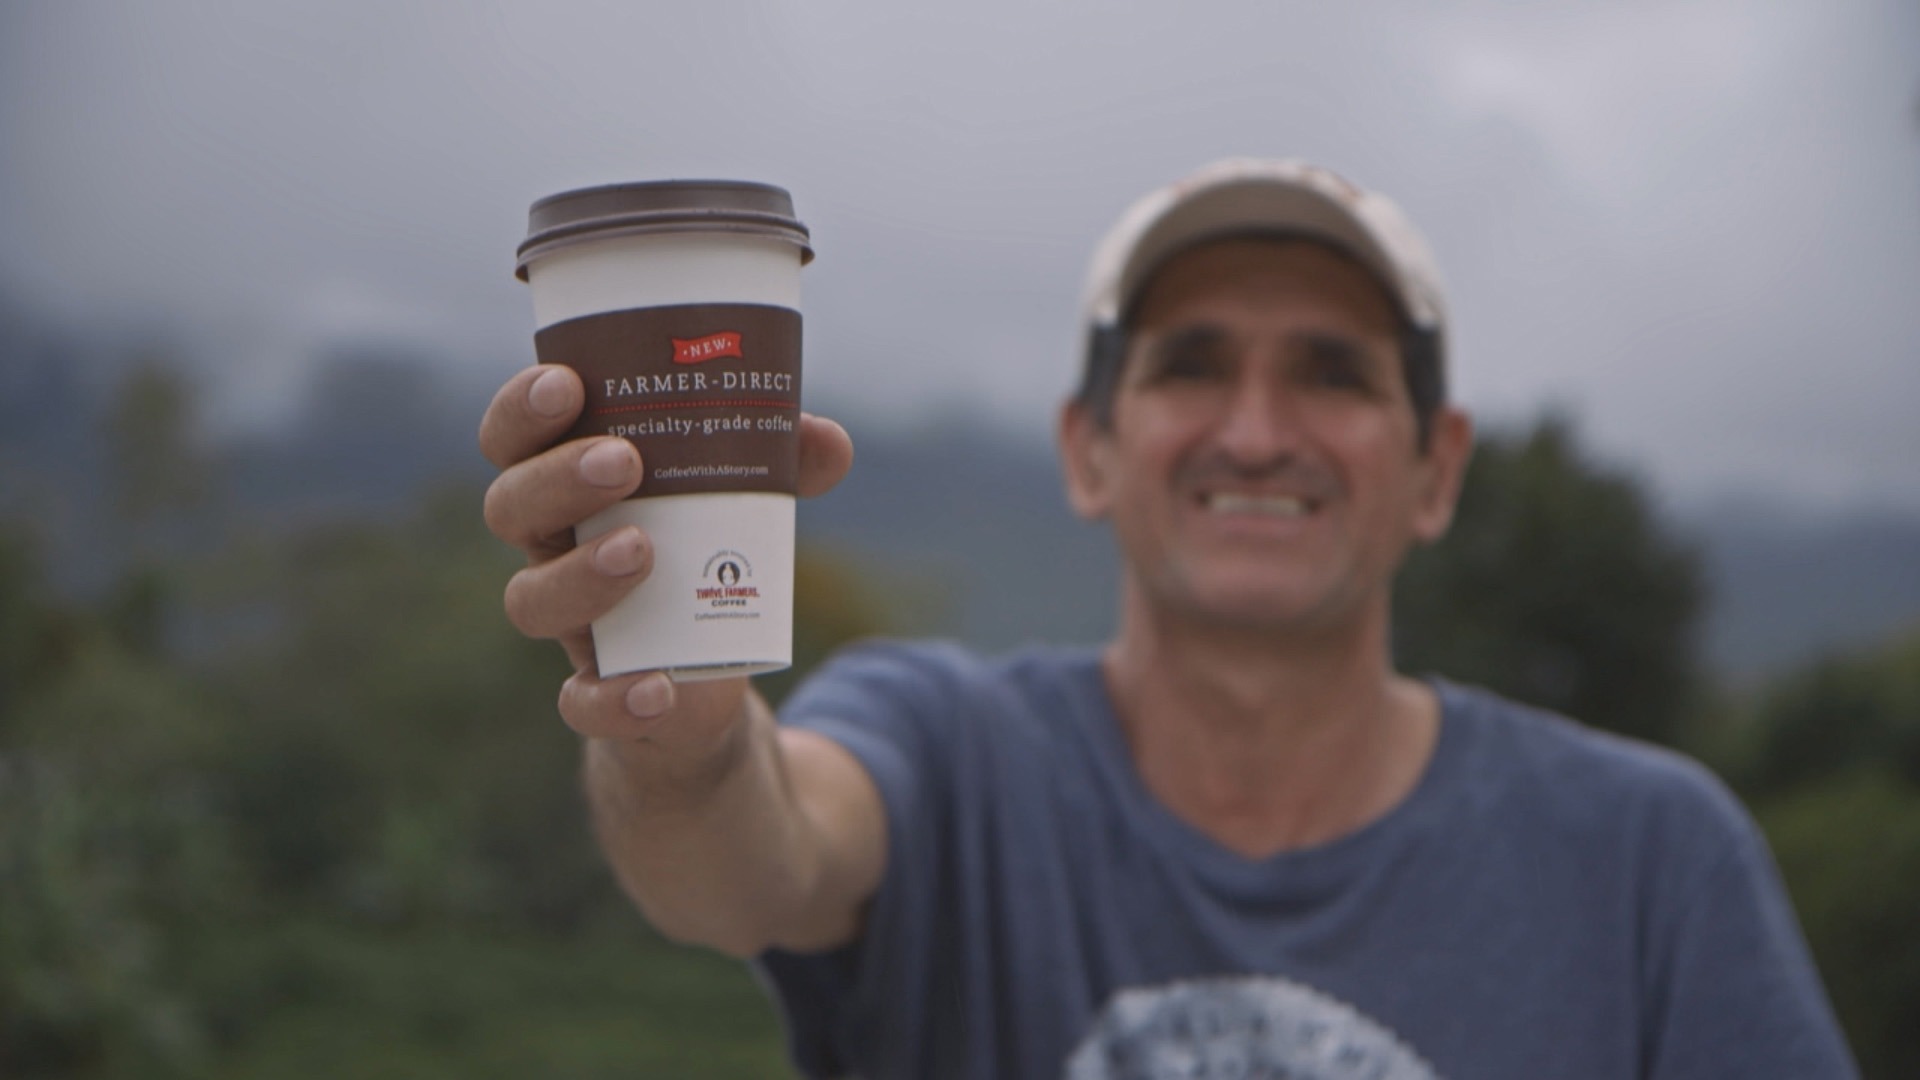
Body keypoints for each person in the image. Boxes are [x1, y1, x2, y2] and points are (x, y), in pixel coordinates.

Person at [479, 159, 1856, 1078]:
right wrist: (678, 719)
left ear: (1438, 467)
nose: (1257, 433)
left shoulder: (1652, 861)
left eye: (1332, 375)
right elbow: (749, 865)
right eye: (1193, 367)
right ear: (1089, 449)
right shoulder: (950, 749)